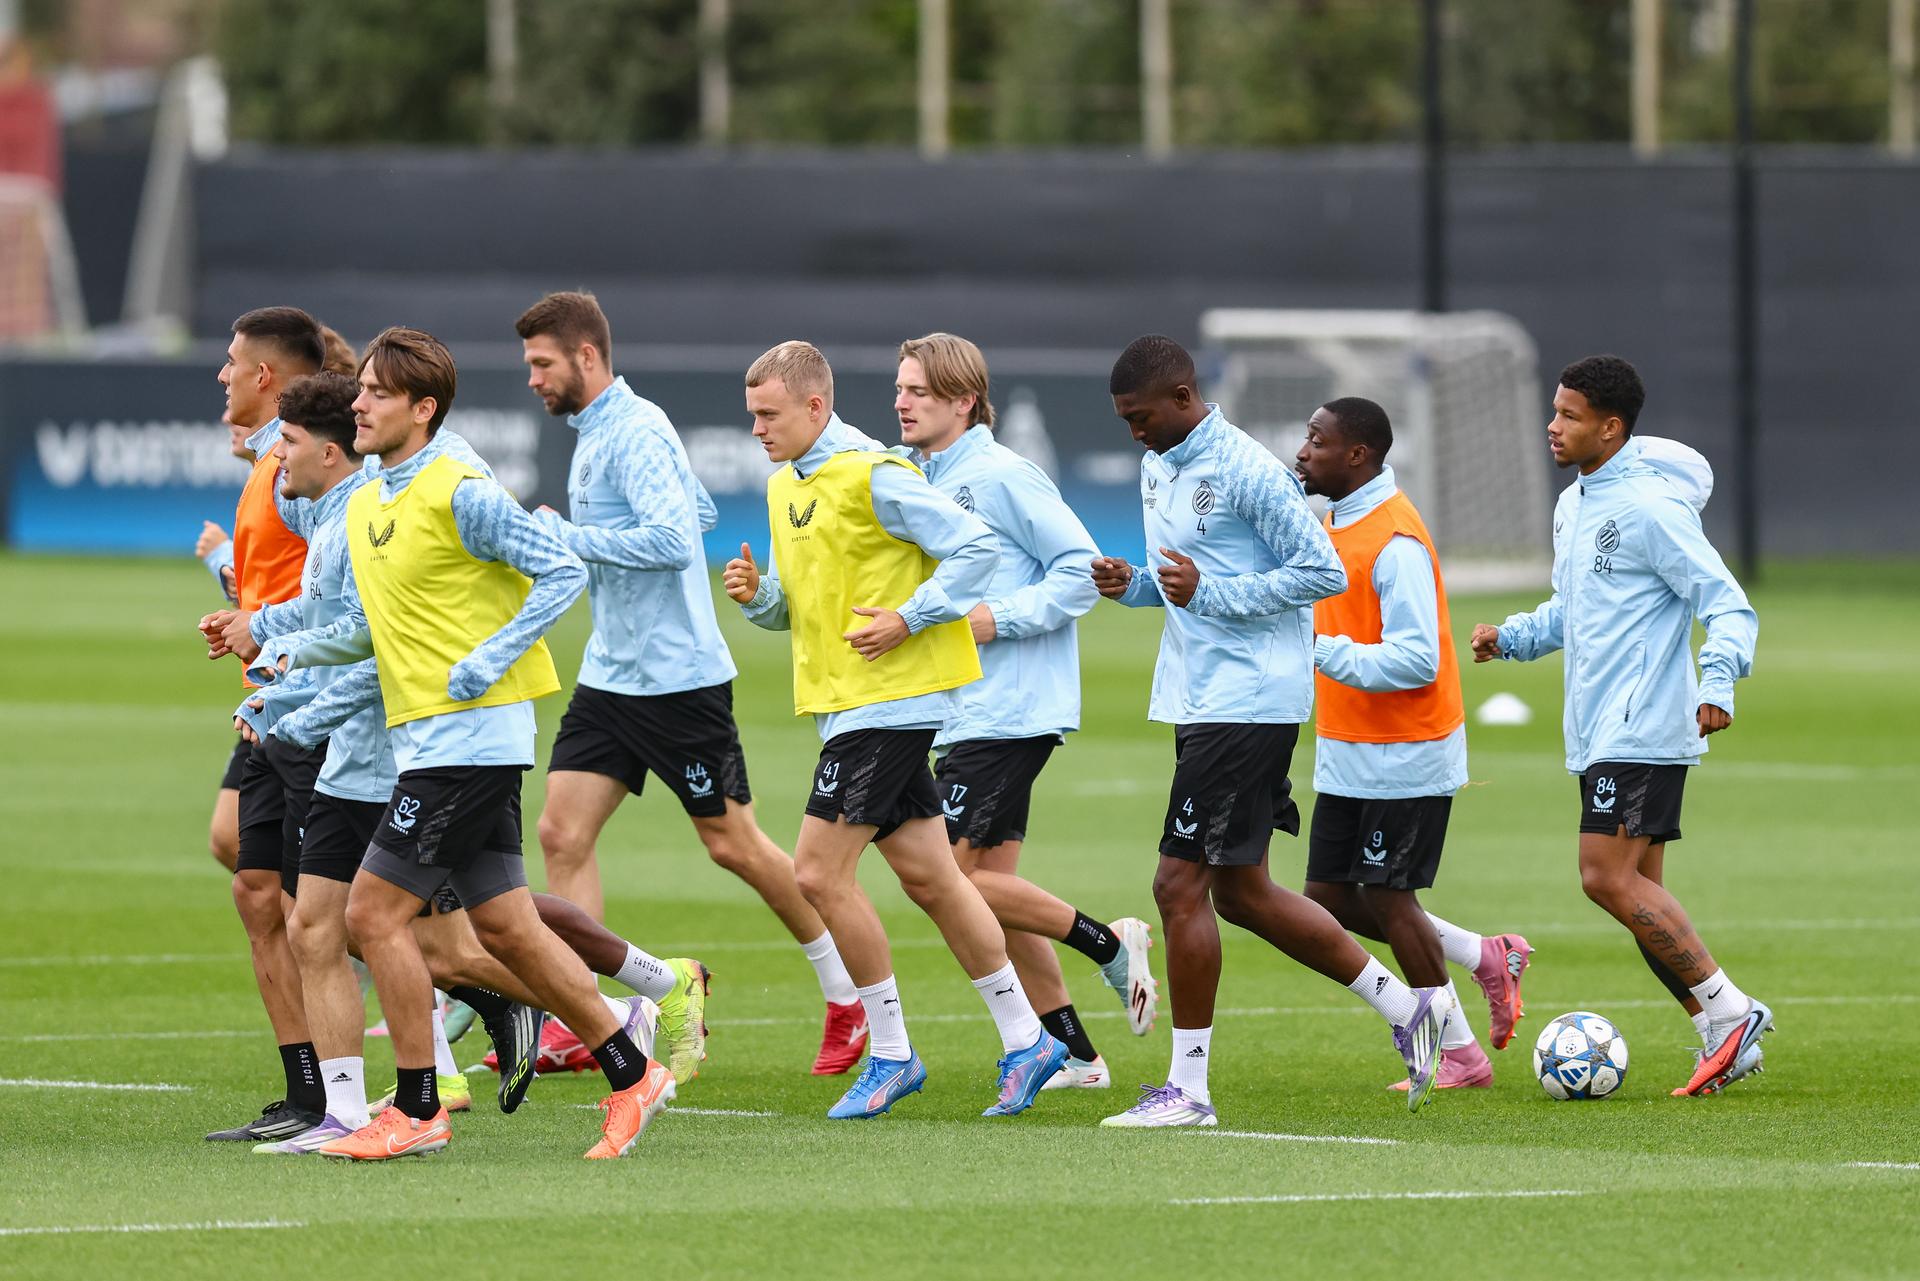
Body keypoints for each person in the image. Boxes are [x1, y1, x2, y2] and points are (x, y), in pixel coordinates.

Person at [250, 327, 671, 1159]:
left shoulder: (460, 488)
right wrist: (289, 656)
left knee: (371, 912)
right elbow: (371, 631)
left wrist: (491, 656)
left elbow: (561, 569)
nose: (358, 403)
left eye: (376, 393)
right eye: (360, 390)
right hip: (426, 742)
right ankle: (633, 1067)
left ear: (424, 408)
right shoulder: (372, 499)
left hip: (473, 740)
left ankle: (417, 1107)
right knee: (510, 930)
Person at [1089, 335, 1453, 1126]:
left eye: (1141, 417)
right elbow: (1190, 584)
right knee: (1244, 893)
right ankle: (1409, 1009)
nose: (1134, 434)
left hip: (1248, 702)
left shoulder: (1248, 468)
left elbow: (1320, 569)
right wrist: (1140, 586)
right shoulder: (1163, 464)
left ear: (1185, 398)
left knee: (1176, 886)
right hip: (1200, 696)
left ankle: (1189, 1091)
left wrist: (1209, 591)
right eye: (1124, 421)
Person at [515, 291, 862, 1080]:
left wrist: (566, 537)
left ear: (587, 357)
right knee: (561, 834)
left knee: (731, 843)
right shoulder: (602, 431)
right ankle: (587, 1015)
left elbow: (673, 541)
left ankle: (847, 993)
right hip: (612, 673)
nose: (533, 379)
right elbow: (693, 511)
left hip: (677, 682)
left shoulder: (633, 428)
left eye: (542, 363)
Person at [723, 340, 1067, 1119]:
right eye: (751, 416)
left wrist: (914, 615)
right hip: (848, 704)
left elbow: (977, 546)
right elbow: (803, 608)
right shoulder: (786, 485)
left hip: (891, 702)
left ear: (816, 407)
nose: (757, 430)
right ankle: (1028, 1038)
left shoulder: (875, 473)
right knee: (935, 878)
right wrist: (758, 595)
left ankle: (891, 1053)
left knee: (817, 875)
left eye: (769, 415)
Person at [1470, 355, 1767, 1097]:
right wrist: (1509, 637)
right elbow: (1572, 611)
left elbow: (1726, 601)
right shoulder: (1576, 503)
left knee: (1602, 877)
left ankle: (1734, 1013)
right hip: (1600, 727)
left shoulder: (1650, 508)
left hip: (1643, 725)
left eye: (1569, 415)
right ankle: (1718, 1032)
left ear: (1611, 426)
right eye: (1555, 409)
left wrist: (1720, 678)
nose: (1553, 424)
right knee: (1638, 895)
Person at [893, 331, 1157, 1089]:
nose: (902, 401)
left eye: (918, 390)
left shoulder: (1006, 474)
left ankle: (1111, 942)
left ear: (964, 400)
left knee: (952, 879)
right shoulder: (912, 473)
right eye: (901, 388)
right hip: (959, 707)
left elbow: (1081, 571)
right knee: (995, 897)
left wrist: (994, 617)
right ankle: (1077, 1055)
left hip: (1009, 706)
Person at [1293, 396, 1532, 1090]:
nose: (1303, 450)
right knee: (1328, 899)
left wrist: (1321, 649)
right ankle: (1486, 954)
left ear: (1358, 455)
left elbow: (1417, 659)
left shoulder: (1394, 539)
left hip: (1408, 748)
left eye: (1317, 439)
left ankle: (1459, 1054)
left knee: (1392, 897)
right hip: (1350, 745)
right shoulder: (1335, 521)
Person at [198, 306, 326, 1144]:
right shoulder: (265, 462)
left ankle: (608, 1006)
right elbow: (268, 580)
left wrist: (263, 630)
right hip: (270, 706)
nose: (222, 374)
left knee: (418, 918)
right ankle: (306, 1092)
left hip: (317, 710)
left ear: (266, 378)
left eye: (233, 362)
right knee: (251, 878)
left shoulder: (294, 472)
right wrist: (237, 603)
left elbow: (338, 590)